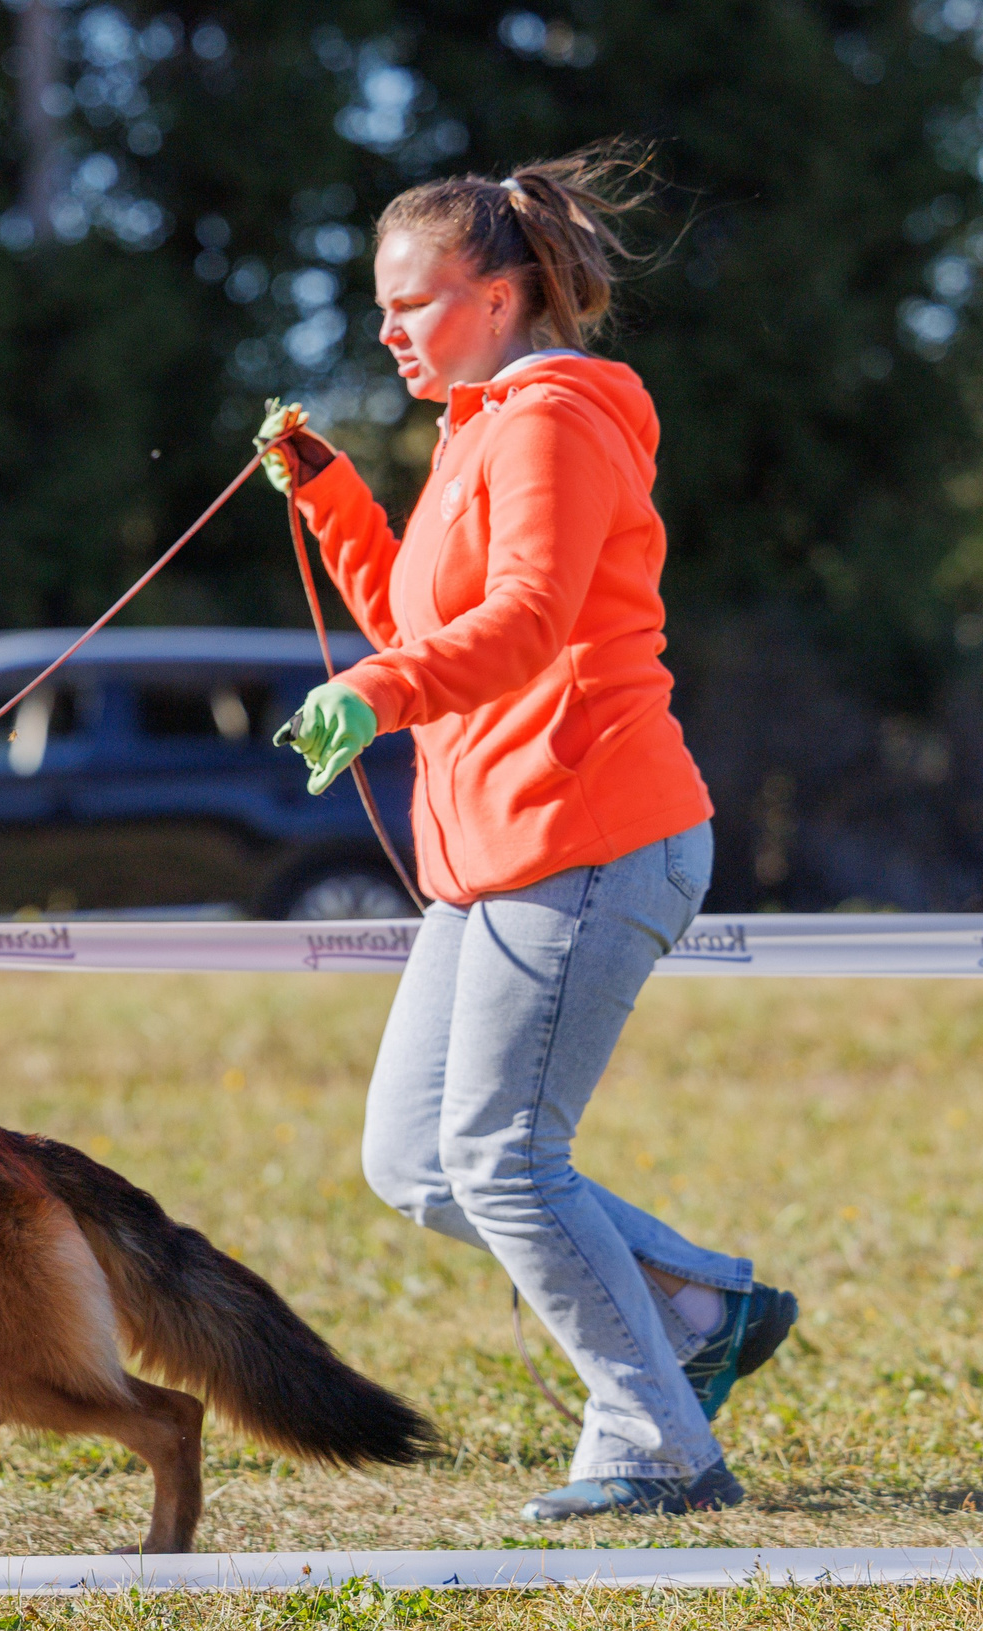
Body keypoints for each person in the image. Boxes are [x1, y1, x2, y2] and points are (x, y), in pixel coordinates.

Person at [254, 144, 798, 1524]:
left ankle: (657, 1443)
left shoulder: (553, 418)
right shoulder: (478, 429)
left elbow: (531, 623)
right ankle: (699, 1302)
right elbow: (427, 626)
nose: (386, 332)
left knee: (500, 1155)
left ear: (498, 296)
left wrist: (373, 694)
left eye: (412, 303)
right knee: (418, 1159)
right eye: (380, 309)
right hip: (498, 853)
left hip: (593, 831)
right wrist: (327, 491)